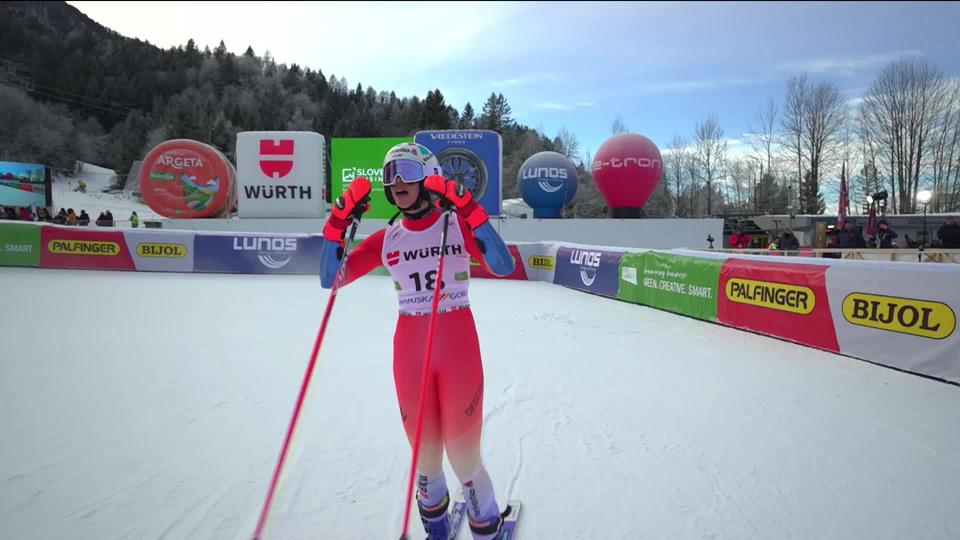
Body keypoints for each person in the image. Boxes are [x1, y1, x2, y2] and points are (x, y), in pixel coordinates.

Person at [319, 142, 515, 540]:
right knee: (424, 461)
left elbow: (502, 263)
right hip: (410, 349)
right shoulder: (387, 237)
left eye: (406, 171)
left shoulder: (456, 224)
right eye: (389, 175)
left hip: (456, 343)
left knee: (464, 459)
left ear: (429, 176)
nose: (396, 182)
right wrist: (337, 224)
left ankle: (486, 527)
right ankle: (437, 529)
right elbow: (331, 278)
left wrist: (469, 211)